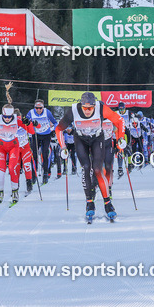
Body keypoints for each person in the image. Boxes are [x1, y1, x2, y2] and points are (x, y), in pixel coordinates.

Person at [54, 92, 126, 221]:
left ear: (94, 105)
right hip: (80, 139)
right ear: (81, 105)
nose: (87, 111)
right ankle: (89, 203)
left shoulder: (101, 108)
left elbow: (120, 120)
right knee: (86, 167)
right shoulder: (73, 110)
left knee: (98, 169)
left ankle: (108, 203)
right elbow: (59, 129)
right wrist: (63, 147)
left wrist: (120, 138)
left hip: (97, 139)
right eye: (85, 108)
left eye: (90, 108)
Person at [0, 102, 35, 205]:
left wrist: (29, 123)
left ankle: (16, 191)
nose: (8, 119)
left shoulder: (18, 120)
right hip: (2, 146)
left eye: (9, 117)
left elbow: (31, 131)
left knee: (14, 168)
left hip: (17, 146)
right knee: (2, 170)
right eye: (5, 117)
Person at [26, 100, 60, 183]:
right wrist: (29, 124)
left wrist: (54, 131)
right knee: (34, 155)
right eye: (36, 108)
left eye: (40, 108)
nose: (38, 110)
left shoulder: (47, 112)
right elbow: (25, 123)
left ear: (43, 107)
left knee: (45, 154)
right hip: (36, 135)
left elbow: (55, 123)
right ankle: (33, 175)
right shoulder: (31, 113)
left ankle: (45, 174)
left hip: (46, 135)